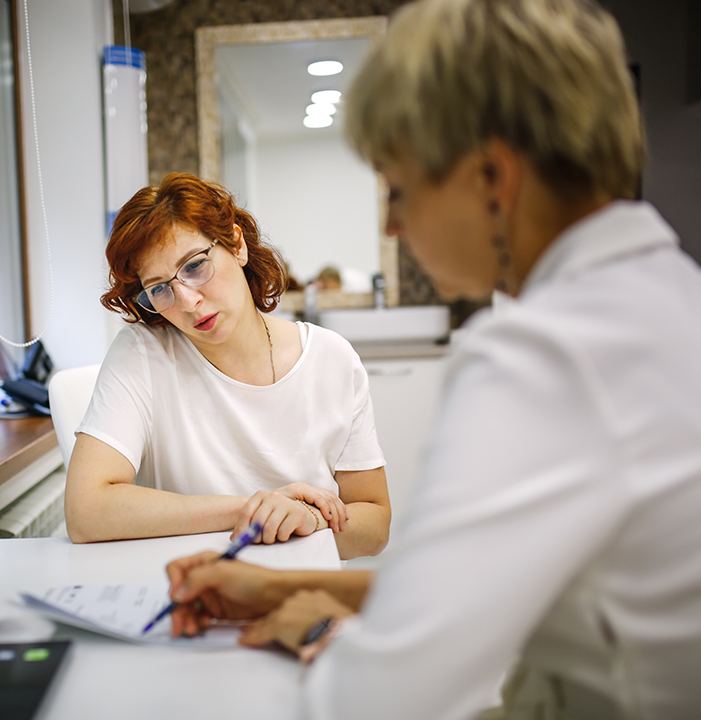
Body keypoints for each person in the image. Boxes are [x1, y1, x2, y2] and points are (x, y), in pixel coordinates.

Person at [163, 0, 701, 717]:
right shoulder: (666, 294)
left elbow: (375, 696)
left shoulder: (543, 352)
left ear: (490, 177)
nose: (390, 222)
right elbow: (473, 589)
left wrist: (316, 625)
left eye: (397, 186)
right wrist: (279, 587)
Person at [63, 173, 391, 560]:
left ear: (236, 245)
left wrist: (311, 522)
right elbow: (85, 512)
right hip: (196, 586)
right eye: (159, 289)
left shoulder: (331, 358)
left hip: (305, 592)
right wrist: (251, 510)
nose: (186, 301)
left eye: (195, 266)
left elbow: (375, 523)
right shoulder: (144, 354)